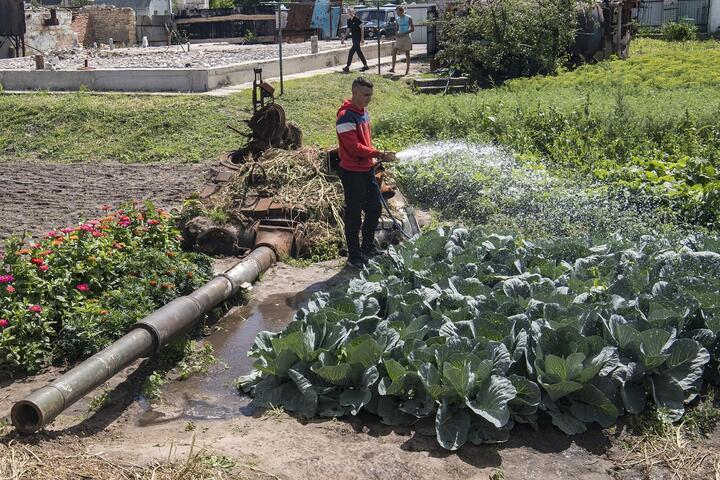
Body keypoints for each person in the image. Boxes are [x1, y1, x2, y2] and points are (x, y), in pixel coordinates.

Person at [336, 77, 393, 268]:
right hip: (352, 173)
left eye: (370, 95)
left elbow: (365, 142)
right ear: (354, 93)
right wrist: (378, 154)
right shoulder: (345, 116)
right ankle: (354, 256)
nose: (369, 99)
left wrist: (375, 156)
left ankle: (367, 247)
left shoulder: (363, 113)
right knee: (353, 214)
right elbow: (354, 148)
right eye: (365, 95)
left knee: (375, 208)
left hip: (367, 169)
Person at [341, 8, 370, 73]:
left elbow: (362, 28)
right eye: (348, 12)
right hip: (354, 39)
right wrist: (343, 38)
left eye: (351, 11)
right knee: (359, 52)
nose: (350, 13)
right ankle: (365, 65)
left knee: (351, 52)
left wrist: (362, 38)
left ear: (353, 12)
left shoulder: (356, 19)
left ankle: (347, 67)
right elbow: (348, 30)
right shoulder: (349, 20)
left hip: (358, 38)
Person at [389, 5, 414, 76]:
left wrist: (404, 33)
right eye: (396, 11)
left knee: (407, 53)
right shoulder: (397, 19)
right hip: (399, 37)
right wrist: (396, 33)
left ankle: (407, 70)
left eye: (397, 11)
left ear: (401, 11)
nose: (396, 12)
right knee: (394, 51)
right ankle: (393, 68)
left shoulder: (409, 18)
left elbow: (412, 29)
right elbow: (397, 28)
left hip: (406, 37)